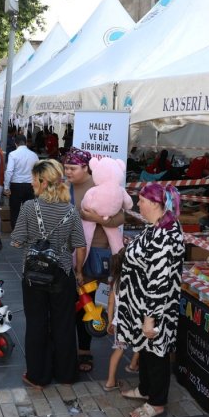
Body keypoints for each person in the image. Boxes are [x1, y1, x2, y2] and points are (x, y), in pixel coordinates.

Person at [11, 159, 86, 388]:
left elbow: (16, 241)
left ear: (43, 182)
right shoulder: (71, 211)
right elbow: (80, 246)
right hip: (62, 272)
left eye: (34, 179)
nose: (31, 183)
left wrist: (31, 240)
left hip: (33, 274)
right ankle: (66, 374)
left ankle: (38, 376)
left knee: (36, 323)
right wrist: (79, 271)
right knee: (64, 323)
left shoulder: (28, 208)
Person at [117, 182, 185, 417]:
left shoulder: (165, 234)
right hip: (142, 304)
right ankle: (145, 389)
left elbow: (158, 281)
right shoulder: (157, 226)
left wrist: (150, 319)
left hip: (155, 308)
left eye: (142, 201)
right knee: (145, 349)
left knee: (156, 352)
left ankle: (156, 402)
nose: (138, 204)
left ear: (156, 204)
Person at [64, 147, 125, 375]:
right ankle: (66, 346)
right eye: (66, 167)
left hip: (94, 255)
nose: (67, 172)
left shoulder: (101, 186)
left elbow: (120, 216)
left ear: (86, 168)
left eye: (72, 168)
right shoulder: (64, 188)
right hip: (67, 252)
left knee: (88, 302)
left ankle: (84, 349)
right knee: (69, 302)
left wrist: (94, 218)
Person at [103, 249, 140, 390]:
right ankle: (132, 365)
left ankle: (110, 382)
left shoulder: (116, 280)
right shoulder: (136, 279)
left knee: (119, 350)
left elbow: (111, 303)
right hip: (135, 320)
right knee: (141, 344)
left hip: (120, 322)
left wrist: (111, 321)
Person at [3, 133, 38, 229]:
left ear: (15, 143)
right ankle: (29, 231)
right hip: (30, 185)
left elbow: (9, 171)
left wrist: (6, 187)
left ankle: (16, 233)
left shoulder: (13, 154)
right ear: (26, 143)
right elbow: (38, 172)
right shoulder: (34, 155)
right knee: (30, 210)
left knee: (15, 211)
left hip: (16, 185)